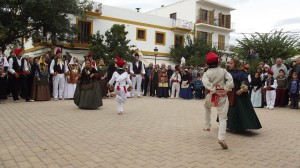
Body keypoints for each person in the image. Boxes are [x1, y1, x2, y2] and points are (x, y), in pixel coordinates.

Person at [202, 52, 234, 149]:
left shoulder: (207, 73)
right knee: (223, 117)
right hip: (222, 96)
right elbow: (230, 80)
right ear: (218, 61)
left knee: (207, 107)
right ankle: (221, 137)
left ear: (208, 64)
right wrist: (226, 89)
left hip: (211, 95)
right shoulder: (223, 71)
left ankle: (207, 125)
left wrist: (213, 89)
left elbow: (205, 83)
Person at [226, 59, 262, 132]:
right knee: (228, 109)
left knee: (239, 110)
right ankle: (229, 125)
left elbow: (244, 82)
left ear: (235, 64)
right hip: (229, 93)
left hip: (238, 94)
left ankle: (240, 126)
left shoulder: (241, 73)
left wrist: (242, 89)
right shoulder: (227, 72)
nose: (229, 65)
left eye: (231, 63)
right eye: (228, 63)